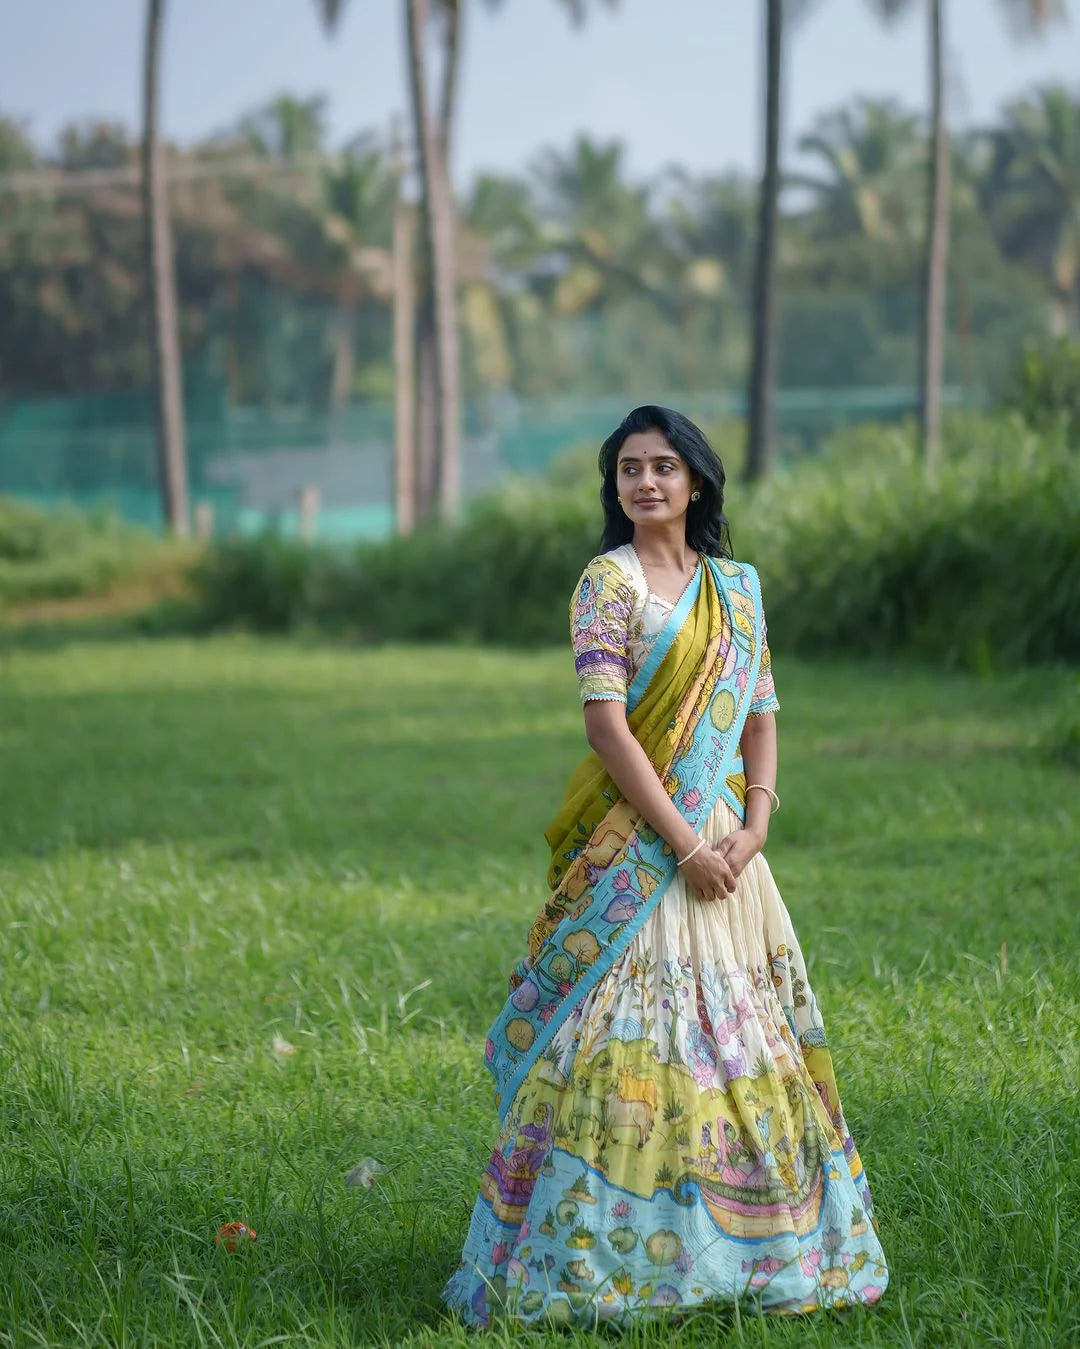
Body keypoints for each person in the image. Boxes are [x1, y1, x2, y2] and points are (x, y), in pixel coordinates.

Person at [443, 406, 888, 1328]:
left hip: (727, 845)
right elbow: (606, 726)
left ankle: (756, 1249)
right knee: (624, 1038)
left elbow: (760, 712)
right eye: (630, 468)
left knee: (741, 1035)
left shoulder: (737, 589)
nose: (646, 481)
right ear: (615, 486)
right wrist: (683, 846)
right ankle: (589, 1256)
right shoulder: (606, 583)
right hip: (640, 845)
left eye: (664, 466)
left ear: (696, 481)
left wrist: (751, 827)